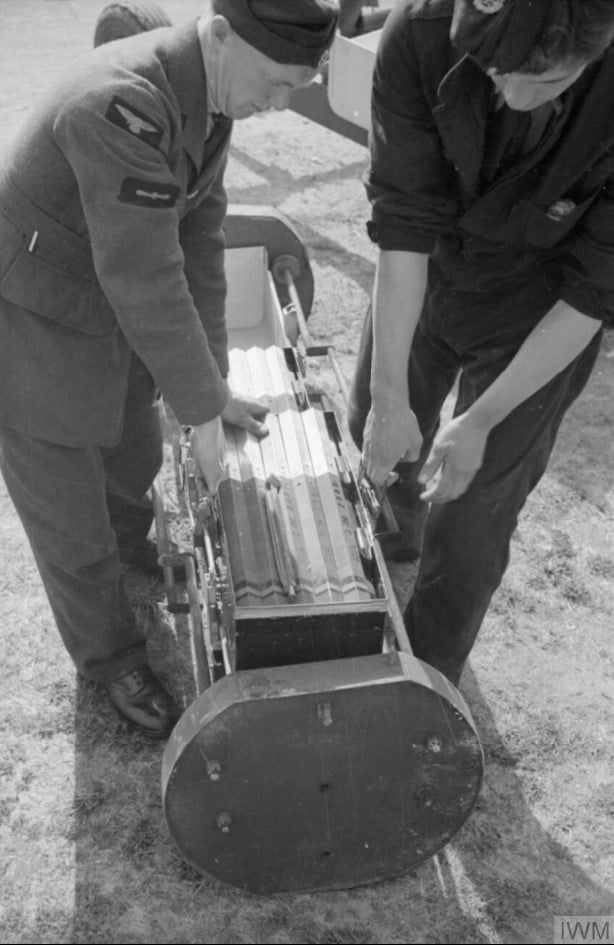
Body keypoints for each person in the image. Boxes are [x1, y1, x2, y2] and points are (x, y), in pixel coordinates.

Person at [0, 0, 338, 736]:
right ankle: (111, 656)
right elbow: (147, 275)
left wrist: (213, 389)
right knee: (67, 509)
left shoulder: (208, 97)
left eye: (294, 90)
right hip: (32, 309)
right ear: (221, 36)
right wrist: (200, 411)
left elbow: (200, 244)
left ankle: (133, 549)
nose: (278, 105)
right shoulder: (121, 106)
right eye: (277, 83)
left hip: (107, 292)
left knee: (132, 449)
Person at [349, 0, 614, 685]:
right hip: (431, 264)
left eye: (552, 84)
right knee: (374, 431)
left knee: (471, 521)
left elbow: (592, 293)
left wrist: (483, 419)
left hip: (542, 302)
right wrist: (387, 397)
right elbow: (402, 221)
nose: (516, 99)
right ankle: (379, 553)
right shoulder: (421, 32)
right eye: (497, 72)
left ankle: (424, 686)